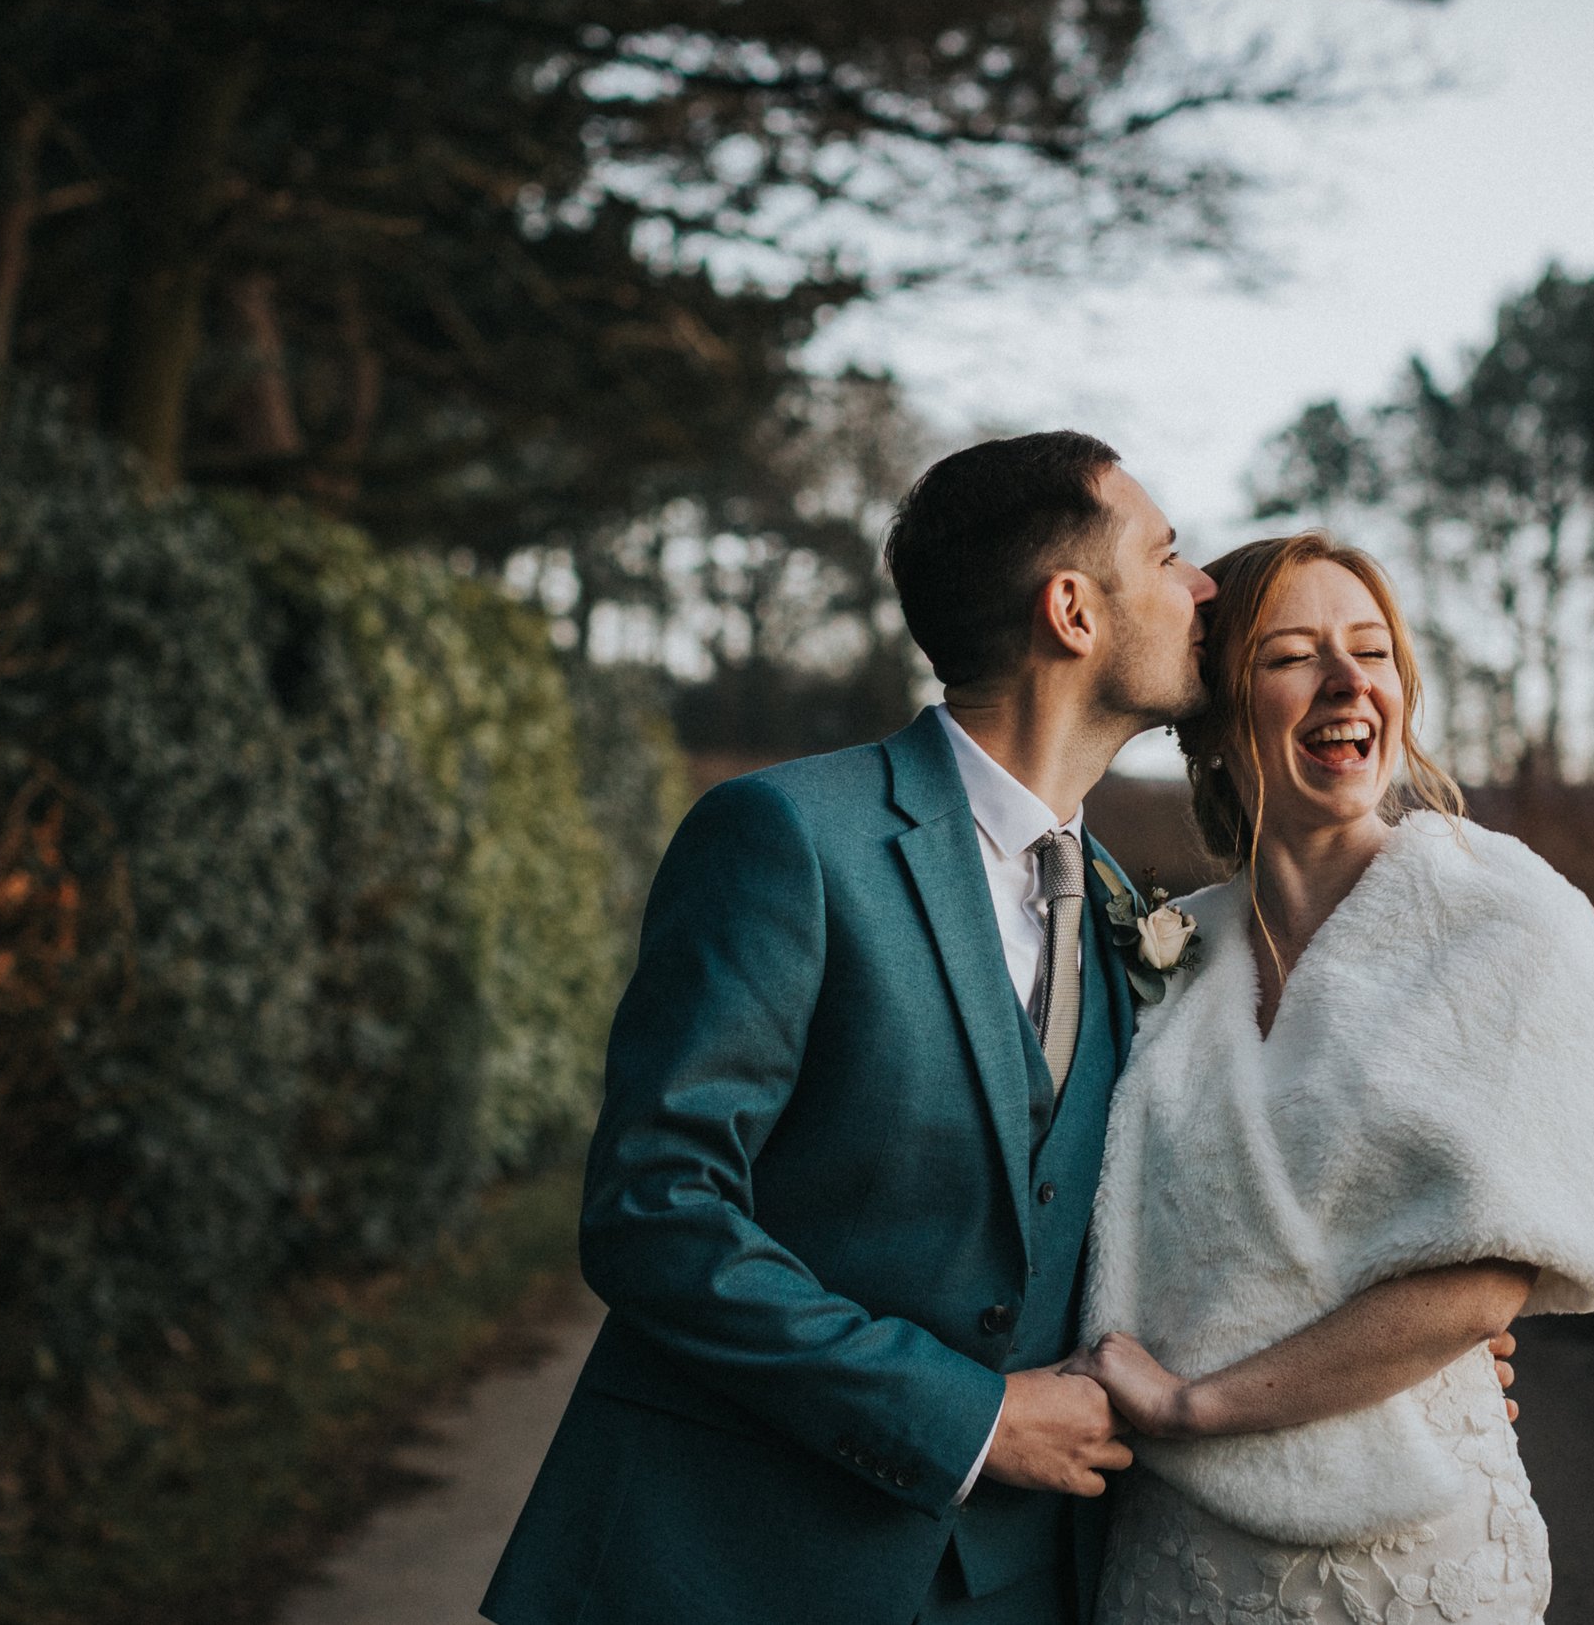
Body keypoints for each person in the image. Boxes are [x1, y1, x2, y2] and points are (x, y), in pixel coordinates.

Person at [480, 431, 1214, 1625]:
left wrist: (1401, 1375)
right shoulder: (785, 836)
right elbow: (655, 1211)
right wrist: (971, 1415)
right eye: (1169, 554)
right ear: (1071, 610)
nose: (1202, 586)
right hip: (732, 1562)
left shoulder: (1122, 908)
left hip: (1019, 1584)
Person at [1073, 532, 1594, 1625]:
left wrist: (1197, 1405)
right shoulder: (1167, 952)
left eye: (1372, 649)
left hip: (1404, 1555)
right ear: (1213, 712)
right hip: (1173, 1553)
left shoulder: (1508, 918)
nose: (1348, 682)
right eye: (1292, 655)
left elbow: (1484, 1274)